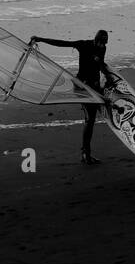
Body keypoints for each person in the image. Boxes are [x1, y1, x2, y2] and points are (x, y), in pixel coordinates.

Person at [30, 30, 118, 165]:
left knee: (98, 113)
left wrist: (108, 75)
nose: (102, 46)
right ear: (96, 40)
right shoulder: (83, 45)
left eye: (104, 44)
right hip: (82, 87)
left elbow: (100, 64)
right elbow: (62, 43)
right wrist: (40, 39)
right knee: (90, 120)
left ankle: (86, 152)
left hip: (94, 87)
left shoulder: (102, 48)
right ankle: (85, 154)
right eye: (100, 43)